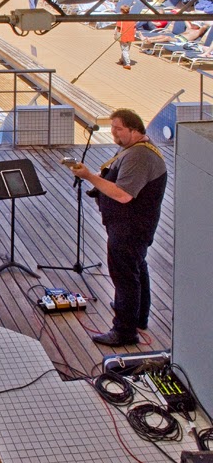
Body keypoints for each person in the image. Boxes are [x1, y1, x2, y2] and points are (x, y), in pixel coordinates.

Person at [69, 109, 167, 346]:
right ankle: (138, 315)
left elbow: (123, 195)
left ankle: (124, 331)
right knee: (136, 267)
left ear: (135, 130)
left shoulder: (138, 156)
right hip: (131, 226)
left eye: (118, 128)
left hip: (130, 228)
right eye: (112, 127)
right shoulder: (133, 148)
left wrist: (89, 176)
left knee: (125, 277)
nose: (113, 132)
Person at [114, 5, 137, 69]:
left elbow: (118, 28)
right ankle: (122, 60)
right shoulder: (132, 17)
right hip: (130, 35)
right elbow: (134, 27)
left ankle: (127, 63)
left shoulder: (120, 18)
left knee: (125, 50)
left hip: (123, 35)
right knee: (126, 49)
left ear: (121, 10)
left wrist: (116, 34)